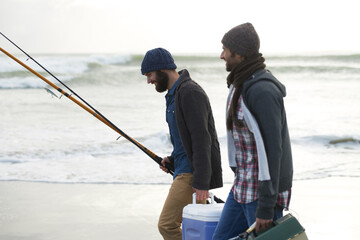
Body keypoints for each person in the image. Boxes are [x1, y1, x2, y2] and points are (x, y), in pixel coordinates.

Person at [212, 23, 293, 239]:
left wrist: (266, 207)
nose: (221, 55)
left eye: (225, 49)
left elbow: (273, 150)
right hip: (241, 187)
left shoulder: (262, 91)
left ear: (239, 54)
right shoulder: (240, 84)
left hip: (261, 194)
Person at [141, 48, 223, 240]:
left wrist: (202, 182)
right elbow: (184, 138)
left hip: (191, 174)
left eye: (149, 74)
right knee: (194, 227)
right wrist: (173, 159)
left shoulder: (189, 92)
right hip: (183, 168)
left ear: (162, 69)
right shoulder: (174, 95)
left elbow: (203, 139)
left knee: (167, 225)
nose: (148, 81)